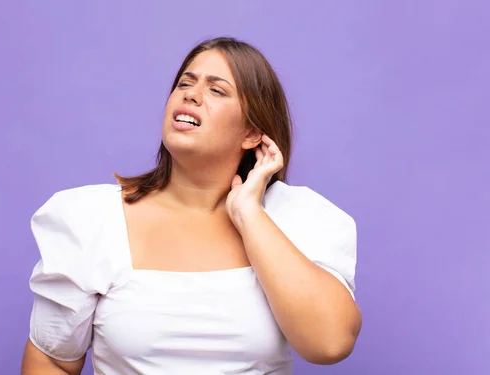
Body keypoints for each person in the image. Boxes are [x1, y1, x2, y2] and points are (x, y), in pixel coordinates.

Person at [21, 37, 362, 375]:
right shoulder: (91, 218)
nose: (191, 94)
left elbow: (329, 344)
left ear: (252, 133)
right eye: (185, 82)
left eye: (217, 90)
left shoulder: (299, 217)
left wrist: (249, 214)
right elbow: (51, 360)